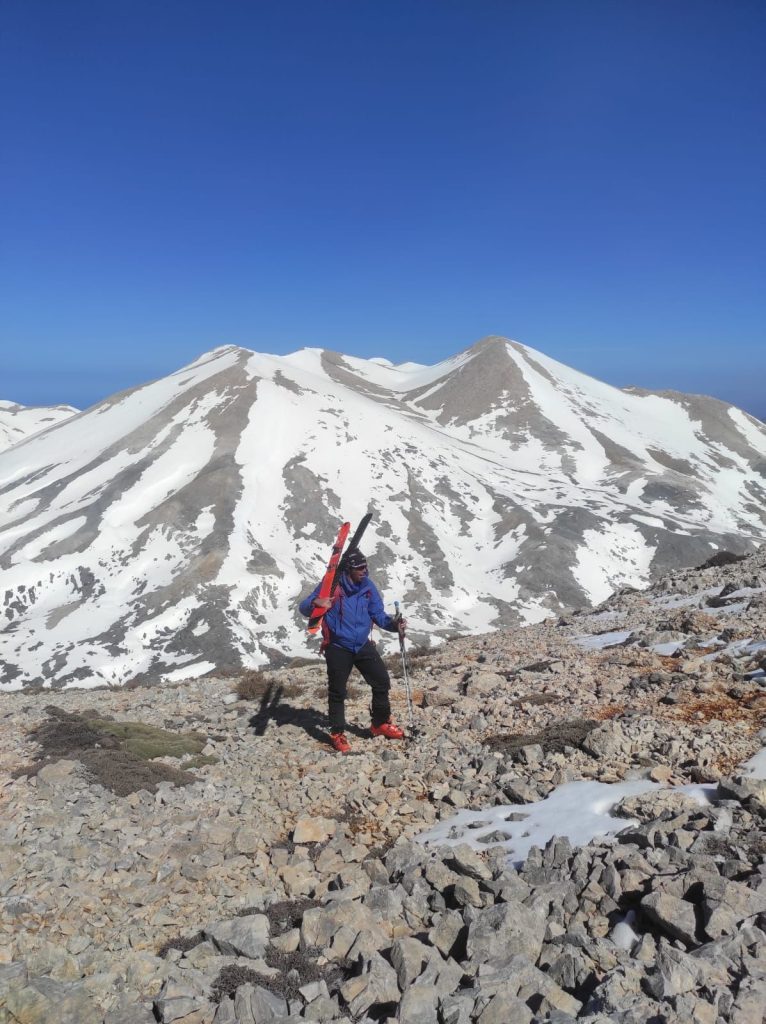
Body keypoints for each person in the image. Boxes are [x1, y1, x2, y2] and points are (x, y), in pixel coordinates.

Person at [299, 549, 406, 753]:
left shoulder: (367, 587)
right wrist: (316, 602)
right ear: (349, 569)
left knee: (382, 681)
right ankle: (337, 733)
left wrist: (394, 625)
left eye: (366, 567)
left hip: (361, 643)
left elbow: (377, 614)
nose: (364, 571)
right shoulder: (331, 586)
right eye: (359, 568)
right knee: (338, 691)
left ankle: (380, 724)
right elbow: (304, 608)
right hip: (338, 646)